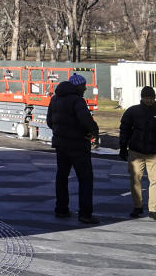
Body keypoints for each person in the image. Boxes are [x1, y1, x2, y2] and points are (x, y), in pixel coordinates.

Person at [46, 72, 100, 224]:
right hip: (78, 146)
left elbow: (50, 121)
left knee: (62, 178)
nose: (85, 88)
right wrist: (93, 131)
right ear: (77, 86)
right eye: (83, 85)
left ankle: (61, 209)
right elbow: (86, 120)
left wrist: (60, 132)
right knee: (85, 179)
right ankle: (85, 214)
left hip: (60, 145)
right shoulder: (77, 101)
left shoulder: (55, 99)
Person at [119, 86, 156, 219]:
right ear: (142, 98)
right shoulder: (132, 111)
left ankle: (153, 210)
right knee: (135, 180)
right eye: (146, 98)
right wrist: (122, 147)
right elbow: (124, 130)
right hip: (136, 152)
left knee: (155, 181)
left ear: (154, 98)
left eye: (150, 98)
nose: (148, 100)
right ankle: (137, 206)